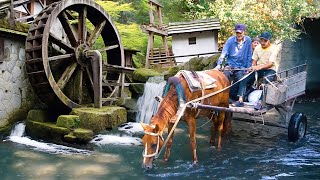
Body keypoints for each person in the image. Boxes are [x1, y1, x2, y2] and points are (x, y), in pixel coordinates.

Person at [215, 23, 252, 107]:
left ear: (244, 32)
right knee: (224, 77)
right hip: (230, 65)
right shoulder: (230, 40)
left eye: (240, 33)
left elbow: (249, 55)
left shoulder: (248, 40)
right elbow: (224, 53)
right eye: (237, 33)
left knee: (241, 78)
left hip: (241, 67)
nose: (239, 35)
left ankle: (235, 98)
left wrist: (248, 68)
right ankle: (223, 97)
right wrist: (219, 65)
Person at [249, 31, 278, 110]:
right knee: (247, 78)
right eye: (261, 40)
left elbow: (271, 63)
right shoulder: (258, 48)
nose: (262, 42)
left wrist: (259, 67)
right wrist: (253, 67)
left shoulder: (274, 48)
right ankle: (241, 97)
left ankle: (261, 102)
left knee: (267, 80)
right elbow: (254, 60)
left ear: (269, 41)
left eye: (265, 41)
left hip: (270, 69)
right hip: (259, 69)